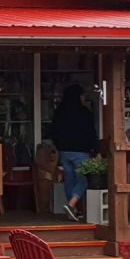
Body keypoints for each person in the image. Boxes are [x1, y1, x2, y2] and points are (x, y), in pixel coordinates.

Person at [49, 83, 98, 221]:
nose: (84, 98)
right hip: (81, 151)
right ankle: (71, 205)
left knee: (69, 180)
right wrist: (96, 150)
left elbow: (53, 131)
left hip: (64, 151)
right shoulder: (85, 113)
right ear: (79, 96)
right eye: (82, 95)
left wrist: (59, 146)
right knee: (83, 180)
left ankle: (73, 210)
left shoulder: (59, 112)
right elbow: (91, 133)